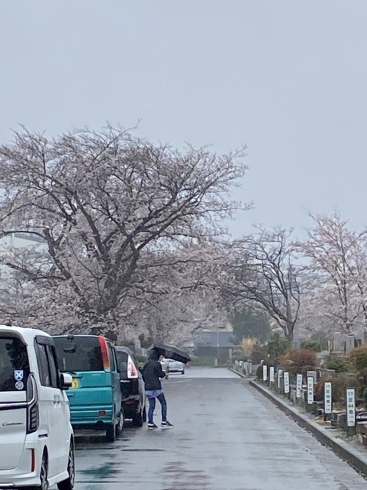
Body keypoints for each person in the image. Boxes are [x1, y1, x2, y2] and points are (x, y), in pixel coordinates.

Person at [141, 350, 173, 430]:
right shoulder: (157, 364)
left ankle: (150, 423)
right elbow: (161, 375)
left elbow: (143, 374)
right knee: (163, 403)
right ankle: (164, 421)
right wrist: (165, 372)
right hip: (156, 387)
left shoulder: (146, 364)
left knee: (151, 406)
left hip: (148, 388)